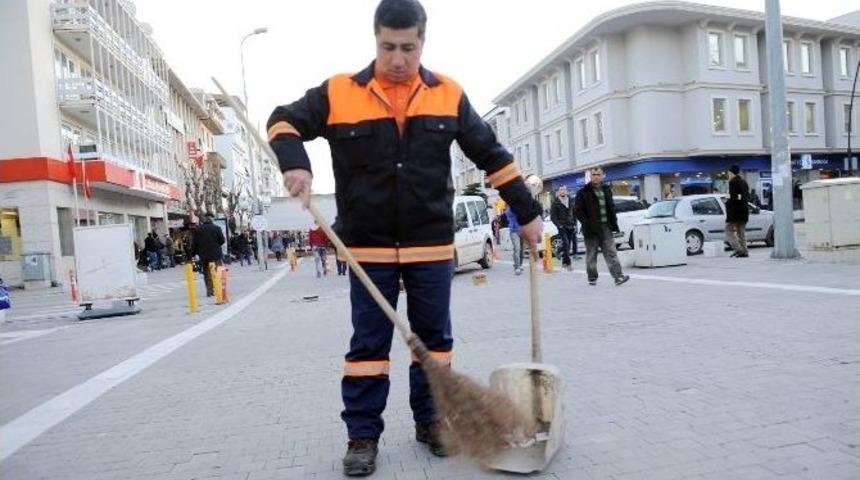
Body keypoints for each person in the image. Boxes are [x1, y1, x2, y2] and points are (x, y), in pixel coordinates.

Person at [265, 0, 542, 475]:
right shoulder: (338, 92)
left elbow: (492, 155)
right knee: (368, 347)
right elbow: (282, 121)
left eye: (408, 48)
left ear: (422, 43)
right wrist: (296, 165)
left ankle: (432, 422)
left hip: (429, 244)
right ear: (375, 40)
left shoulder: (447, 94)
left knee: (434, 341)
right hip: (366, 247)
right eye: (388, 47)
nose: (397, 59)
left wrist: (528, 211)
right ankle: (362, 436)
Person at [573, 167, 630, 286]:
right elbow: (577, 211)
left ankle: (618, 276)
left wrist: (614, 224)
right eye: (593, 175)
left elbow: (611, 208)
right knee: (591, 254)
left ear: (603, 175)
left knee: (611, 252)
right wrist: (587, 223)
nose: (596, 177)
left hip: (606, 227)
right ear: (590, 176)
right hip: (591, 229)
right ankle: (592, 277)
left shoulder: (606, 190)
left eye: (598, 174)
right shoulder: (583, 192)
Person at [190, 213, 225, 297]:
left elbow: (194, 244)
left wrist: (193, 254)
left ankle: (209, 290)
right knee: (217, 271)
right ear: (212, 219)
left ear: (205, 219)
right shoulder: (217, 228)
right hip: (216, 255)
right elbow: (222, 240)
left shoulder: (198, 229)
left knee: (207, 273)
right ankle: (218, 288)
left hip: (204, 255)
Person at [550, 185, 578, 270]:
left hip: (571, 225)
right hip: (562, 226)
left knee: (567, 245)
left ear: (566, 191)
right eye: (561, 190)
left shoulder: (571, 200)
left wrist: (575, 224)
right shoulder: (555, 203)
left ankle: (564, 262)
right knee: (566, 243)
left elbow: (574, 213)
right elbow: (553, 216)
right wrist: (559, 225)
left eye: (564, 189)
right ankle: (568, 264)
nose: (562, 191)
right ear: (558, 192)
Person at [725, 165, 750, 258]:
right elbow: (746, 196)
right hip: (744, 211)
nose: (728, 175)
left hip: (735, 212)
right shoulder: (744, 182)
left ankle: (738, 249)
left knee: (728, 230)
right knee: (741, 232)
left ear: (732, 173)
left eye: (729, 173)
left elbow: (733, 197)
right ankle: (745, 251)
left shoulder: (732, 182)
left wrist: (727, 202)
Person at [505, 205, 525, 275]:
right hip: (514, 231)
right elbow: (508, 214)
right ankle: (517, 267)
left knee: (522, 249)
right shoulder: (511, 207)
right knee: (517, 248)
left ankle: (520, 264)